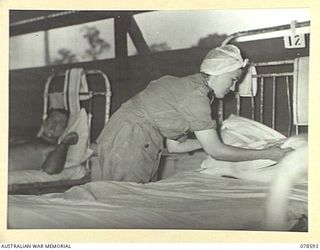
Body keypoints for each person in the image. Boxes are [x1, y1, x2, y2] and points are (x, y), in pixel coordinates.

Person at [96, 44, 292, 183]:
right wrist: (271, 154)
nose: (233, 88)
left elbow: (174, 146)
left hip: (129, 134)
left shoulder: (190, 87)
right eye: (233, 79)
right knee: (123, 200)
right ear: (218, 72)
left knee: (124, 202)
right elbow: (216, 152)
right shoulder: (196, 97)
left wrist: (218, 139)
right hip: (130, 138)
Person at [9, 109, 78, 174]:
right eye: (52, 119)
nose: (53, 124)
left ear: (65, 129)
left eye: (60, 122)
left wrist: (65, 143)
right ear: (45, 122)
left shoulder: (53, 149)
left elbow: (51, 170)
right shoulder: (27, 137)